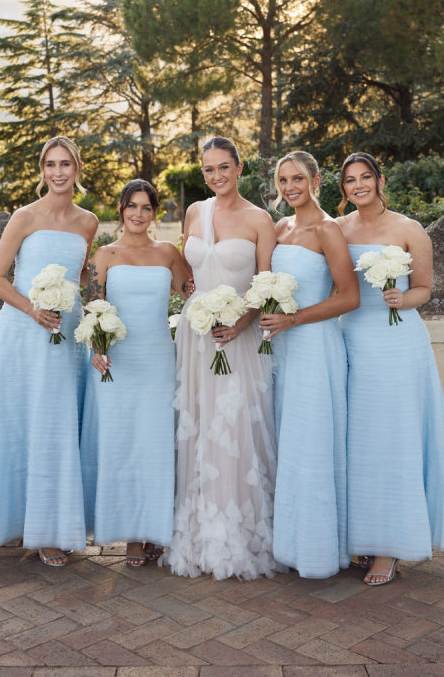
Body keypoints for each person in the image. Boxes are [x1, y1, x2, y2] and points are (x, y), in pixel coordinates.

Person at [0, 136, 97, 566]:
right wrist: (33, 309)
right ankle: (26, 528)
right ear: (42, 170)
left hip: (65, 336)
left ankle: (51, 529)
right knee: (23, 424)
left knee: (57, 426)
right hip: (22, 333)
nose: (58, 172)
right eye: (50, 164)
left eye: (65, 164)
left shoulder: (88, 222)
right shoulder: (24, 216)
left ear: (77, 168)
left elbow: (82, 275)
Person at [336, 151, 444, 585]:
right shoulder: (339, 229)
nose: (358, 185)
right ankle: (362, 538)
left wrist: (401, 299)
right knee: (357, 441)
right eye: (350, 180)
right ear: (343, 189)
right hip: (351, 340)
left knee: (392, 440)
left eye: (365, 177)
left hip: (397, 344)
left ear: (380, 180)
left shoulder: (409, 229)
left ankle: (389, 549)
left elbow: (424, 288)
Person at [161, 136, 279, 580]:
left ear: (239, 167)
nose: (216, 176)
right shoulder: (195, 212)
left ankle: (238, 535)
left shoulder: (259, 219)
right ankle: (197, 532)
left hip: (238, 337)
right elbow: (187, 270)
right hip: (195, 337)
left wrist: (242, 322)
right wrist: (189, 294)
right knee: (196, 424)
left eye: (224, 167)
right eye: (209, 169)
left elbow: (265, 284)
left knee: (233, 425)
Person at [80, 179, 190, 567]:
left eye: (146, 207)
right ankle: (131, 537)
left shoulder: (169, 253)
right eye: (132, 206)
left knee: (155, 445)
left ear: (154, 212)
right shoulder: (105, 255)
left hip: (158, 360)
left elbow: (193, 293)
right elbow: (93, 308)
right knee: (122, 443)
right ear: (121, 209)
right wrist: (96, 349)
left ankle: (155, 529)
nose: (138, 214)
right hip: (117, 363)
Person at [260, 151, 359, 579]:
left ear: (316, 180)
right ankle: (289, 546)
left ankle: (317, 551)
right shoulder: (279, 227)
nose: (290, 187)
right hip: (282, 350)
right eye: (283, 180)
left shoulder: (328, 229)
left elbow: (349, 297)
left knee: (312, 443)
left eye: (298, 178)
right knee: (287, 443)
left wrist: (294, 319)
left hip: (315, 348)